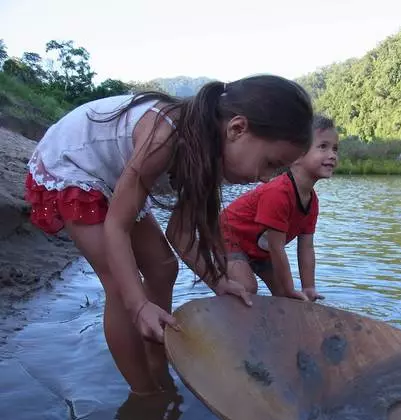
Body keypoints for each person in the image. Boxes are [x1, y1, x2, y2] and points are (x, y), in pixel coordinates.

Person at [23, 75, 314, 395]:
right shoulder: (166, 136)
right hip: (75, 167)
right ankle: (144, 392)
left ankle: (156, 356)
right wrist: (137, 305)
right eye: (271, 163)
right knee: (120, 286)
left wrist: (218, 282)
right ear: (237, 128)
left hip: (113, 177)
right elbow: (116, 227)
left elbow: (180, 232)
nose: (265, 179)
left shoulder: (208, 153)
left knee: (164, 266)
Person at [220, 115, 339, 302]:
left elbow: (306, 248)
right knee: (247, 288)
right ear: (297, 155)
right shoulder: (278, 193)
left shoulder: (312, 202)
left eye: (335, 149)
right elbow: (277, 248)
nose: (332, 155)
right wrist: (290, 288)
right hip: (227, 237)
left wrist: (309, 288)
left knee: (288, 297)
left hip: (260, 251)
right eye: (323, 147)